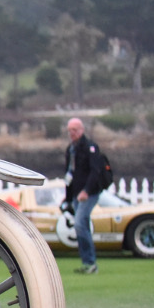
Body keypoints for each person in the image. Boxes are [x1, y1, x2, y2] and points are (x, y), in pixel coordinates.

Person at [64, 117, 104, 274]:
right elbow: (68, 174)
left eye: (74, 130)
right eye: (69, 130)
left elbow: (95, 172)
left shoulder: (90, 147)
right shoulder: (71, 149)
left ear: (81, 130)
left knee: (80, 223)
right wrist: (67, 198)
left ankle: (90, 262)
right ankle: (87, 262)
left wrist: (86, 191)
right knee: (82, 225)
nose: (71, 133)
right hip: (76, 194)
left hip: (89, 193)